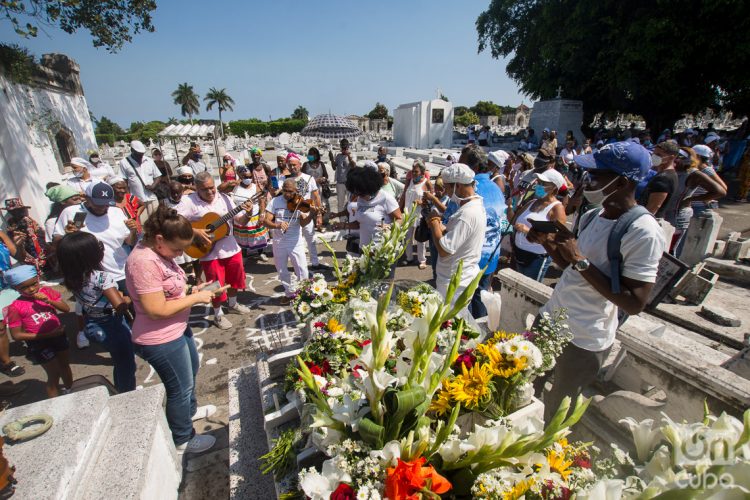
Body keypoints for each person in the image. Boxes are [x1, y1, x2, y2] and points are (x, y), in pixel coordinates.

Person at [530, 141, 666, 423]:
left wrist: (579, 260)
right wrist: (547, 243)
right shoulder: (594, 214)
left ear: (622, 182)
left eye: (595, 175)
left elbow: (635, 301)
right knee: (525, 388)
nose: (586, 181)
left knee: (558, 412)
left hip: (583, 338)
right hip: (551, 319)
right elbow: (572, 267)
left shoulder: (643, 230)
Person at [125, 206, 220, 454]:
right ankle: (182, 438)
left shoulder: (158, 253)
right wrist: (195, 300)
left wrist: (192, 291)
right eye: (177, 249)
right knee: (179, 388)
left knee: (190, 373)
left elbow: (168, 291)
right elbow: (156, 309)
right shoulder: (143, 262)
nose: (179, 255)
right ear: (159, 239)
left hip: (176, 329)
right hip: (159, 338)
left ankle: (188, 414)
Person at [53, 181, 137, 348]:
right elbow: (57, 243)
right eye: (98, 204)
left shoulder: (116, 212)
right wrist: (67, 236)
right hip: (91, 277)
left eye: (106, 204)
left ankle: (132, 340)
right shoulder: (74, 213)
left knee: (133, 309)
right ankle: (115, 344)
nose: (102, 208)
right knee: (104, 315)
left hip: (121, 271)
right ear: (87, 198)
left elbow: (129, 241)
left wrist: (133, 230)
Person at [57, 232, 136, 393]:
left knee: (118, 360)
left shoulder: (72, 277)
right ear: (89, 255)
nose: (102, 249)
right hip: (112, 325)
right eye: (98, 246)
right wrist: (129, 298)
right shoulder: (101, 277)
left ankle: (120, 388)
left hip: (93, 323)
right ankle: (127, 394)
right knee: (127, 363)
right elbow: (119, 305)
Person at [176, 172, 253, 329]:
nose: (211, 192)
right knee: (215, 285)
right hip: (208, 252)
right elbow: (175, 222)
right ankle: (218, 315)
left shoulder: (224, 197)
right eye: (205, 189)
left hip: (231, 246)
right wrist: (196, 231)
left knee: (234, 279)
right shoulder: (188, 201)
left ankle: (233, 303)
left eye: (212, 188)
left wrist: (249, 214)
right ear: (196, 188)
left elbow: (240, 221)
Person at [4, 265, 72, 397]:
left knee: (65, 365)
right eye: (24, 287)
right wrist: (48, 334)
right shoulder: (15, 307)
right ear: (15, 288)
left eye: (34, 284)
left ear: (38, 278)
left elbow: (66, 309)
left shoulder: (47, 292)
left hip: (59, 336)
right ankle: (55, 403)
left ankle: (70, 390)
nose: (31, 289)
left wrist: (49, 300)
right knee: (54, 374)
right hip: (39, 343)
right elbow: (16, 335)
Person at [460, 144, 507, 317]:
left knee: (465, 303)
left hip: (470, 259)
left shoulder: (468, 188)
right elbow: (502, 222)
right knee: (481, 297)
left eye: (461, 164)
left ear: (471, 167)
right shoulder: (496, 188)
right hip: (491, 256)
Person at [428, 163, 486, 305]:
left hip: (455, 282)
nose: (446, 192)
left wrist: (434, 221)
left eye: (447, 187)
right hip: (456, 277)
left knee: (449, 321)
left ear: (458, 186)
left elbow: (444, 250)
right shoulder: (470, 206)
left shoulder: (467, 214)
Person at [265, 179, 320, 305]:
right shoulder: (275, 201)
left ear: (296, 191)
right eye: (285, 190)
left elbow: (303, 222)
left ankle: (305, 293)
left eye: (290, 191)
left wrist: (312, 214)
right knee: (282, 270)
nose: (287, 194)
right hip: (279, 241)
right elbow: (266, 221)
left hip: (295, 241)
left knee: (302, 269)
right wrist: (277, 225)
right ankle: (289, 293)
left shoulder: (300, 203)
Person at [668, 147, 726, 255]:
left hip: (678, 216)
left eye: (678, 157)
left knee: (672, 250)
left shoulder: (693, 173)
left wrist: (691, 199)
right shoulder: (673, 170)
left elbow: (721, 191)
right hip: (669, 214)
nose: (675, 160)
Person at [512, 169, 567, 282]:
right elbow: (513, 221)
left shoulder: (557, 208)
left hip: (536, 258)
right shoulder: (531, 202)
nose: (539, 186)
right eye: (539, 182)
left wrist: (527, 231)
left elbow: (555, 238)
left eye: (544, 184)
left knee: (529, 289)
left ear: (554, 188)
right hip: (519, 253)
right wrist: (510, 206)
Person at [335, 167, 402, 247]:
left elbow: (400, 218)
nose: (359, 196)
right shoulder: (360, 199)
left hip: (382, 248)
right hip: (364, 248)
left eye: (361, 193)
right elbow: (361, 222)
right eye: (357, 193)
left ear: (370, 188)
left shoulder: (386, 198)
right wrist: (344, 225)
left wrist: (389, 227)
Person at [286, 153, 323, 268]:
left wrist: (319, 214)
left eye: (294, 165)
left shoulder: (309, 178)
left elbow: (316, 196)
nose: (292, 167)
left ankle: (315, 263)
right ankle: (297, 264)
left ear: (300, 165)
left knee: (310, 238)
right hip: (291, 213)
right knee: (295, 240)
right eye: (290, 165)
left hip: (307, 212)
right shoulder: (286, 180)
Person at [0, 230, 27, 379]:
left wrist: (20, 245)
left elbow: (19, 256)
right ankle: (6, 362)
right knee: (1, 328)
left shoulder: (1, 234)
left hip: (9, 286)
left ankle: (35, 346)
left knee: (23, 316)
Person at [118, 140, 161, 223]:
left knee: (156, 221)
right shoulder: (124, 162)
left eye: (142, 154)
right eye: (138, 154)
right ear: (132, 151)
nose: (140, 156)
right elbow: (124, 181)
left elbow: (158, 176)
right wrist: (127, 198)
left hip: (152, 197)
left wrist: (153, 185)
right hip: (137, 199)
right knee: (141, 223)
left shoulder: (149, 161)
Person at [232, 166, 269, 262]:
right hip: (240, 217)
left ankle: (261, 253)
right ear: (239, 176)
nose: (248, 179)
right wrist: (233, 183)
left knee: (258, 236)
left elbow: (262, 201)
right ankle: (244, 255)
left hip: (254, 216)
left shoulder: (254, 186)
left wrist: (262, 215)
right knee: (242, 238)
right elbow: (220, 188)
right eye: (245, 177)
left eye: (250, 176)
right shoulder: (235, 187)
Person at [400, 160, 432, 269]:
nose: (413, 174)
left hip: (419, 215)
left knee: (420, 238)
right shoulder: (409, 181)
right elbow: (404, 195)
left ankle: (422, 260)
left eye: (416, 172)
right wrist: (400, 209)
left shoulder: (426, 183)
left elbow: (432, 200)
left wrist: (421, 202)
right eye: (413, 171)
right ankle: (409, 257)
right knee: (407, 238)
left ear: (422, 173)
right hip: (408, 214)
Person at [3, 198, 48, 273]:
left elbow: (34, 237)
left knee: (38, 257)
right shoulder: (11, 222)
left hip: (35, 244)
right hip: (23, 246)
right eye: (12, 211)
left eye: (18, 210)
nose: (15, 213)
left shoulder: (26, 220)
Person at [640, 141, 679, 219]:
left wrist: (641, 221)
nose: (654, 156)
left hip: (649, 220)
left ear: (671, 157)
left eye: (659, 155)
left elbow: (653, 207)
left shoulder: (664, 178)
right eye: (654, 154)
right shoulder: (666, 174)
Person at [690, 144, 728, 217]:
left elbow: (723, 188)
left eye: (691, 155)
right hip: (692, 206)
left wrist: (707, 198)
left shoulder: (707, 170)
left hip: (698, 207)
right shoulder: (695, 168)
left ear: (698, 157)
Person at [330, 139, 357, 216]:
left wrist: (349, 156)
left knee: (351, 202)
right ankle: (341, 219)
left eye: (345, 147)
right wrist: (332, 159)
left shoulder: (353, 155)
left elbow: (353, 166)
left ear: (348, 147)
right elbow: (334, 167)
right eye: (342, 147)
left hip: (349, 183)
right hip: (340, 183)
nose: (344, 149)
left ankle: (350, 218)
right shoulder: (338, 156)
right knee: (340, 203)